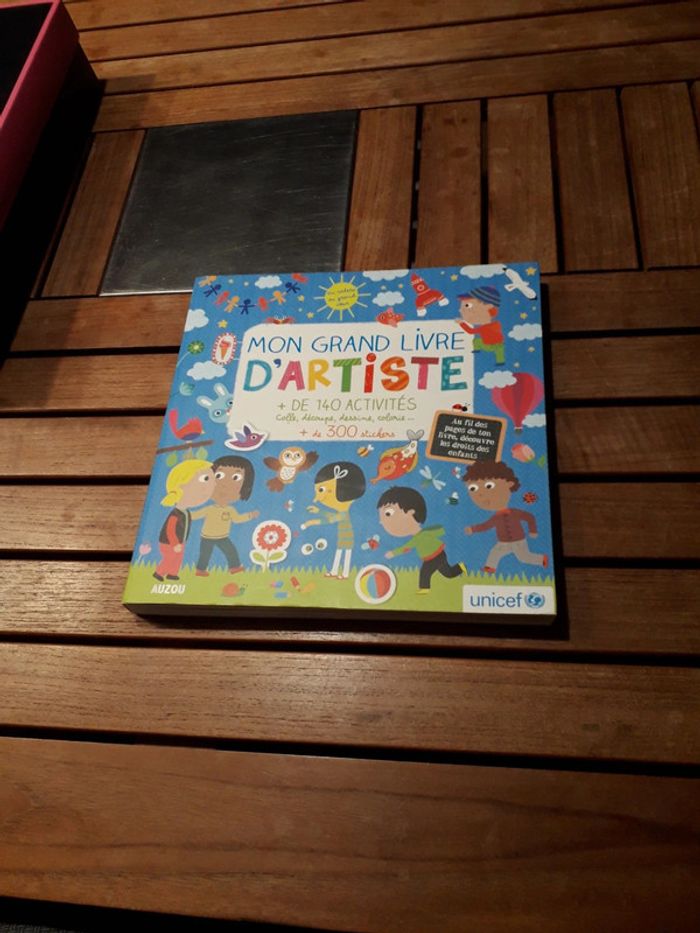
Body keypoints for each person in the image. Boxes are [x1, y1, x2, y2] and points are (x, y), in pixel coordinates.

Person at [463, 460, 548, 574]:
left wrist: (533, 531)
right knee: (495, 552)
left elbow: (530, 517)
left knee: (524, 558)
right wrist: (473, 529)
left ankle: (542, 559)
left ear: (509, 483)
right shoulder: (495, 518)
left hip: (519, 541)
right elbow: (485, 526)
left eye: (489, 486)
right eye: (473, 489)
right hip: (503, 543)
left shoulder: (515, 512)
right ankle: (490, 568)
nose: (481, 494)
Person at [378, 485, 465, 593]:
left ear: (410, 513)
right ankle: (461, 567)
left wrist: (393, 553)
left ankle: (424, 589)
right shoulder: (423, 534)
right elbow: (440, 530)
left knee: (425, 572)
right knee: (448, 573)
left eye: (388, 514)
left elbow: (406, 548)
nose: (381, 522)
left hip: (434, 557)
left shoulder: (420, 537)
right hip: (440, 555)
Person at [190, 455, 259, 576]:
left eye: (236, 478)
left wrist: (249, 515)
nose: (225, 484)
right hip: (207, 537)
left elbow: (237, 519)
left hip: (222, 537)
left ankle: (235, 567)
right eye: (219, 475)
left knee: (231, 551)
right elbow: (195, 515)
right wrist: (184, 514)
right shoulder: (209, 509)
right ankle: (200, 570)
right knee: (205, 554)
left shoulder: (230, 510)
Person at [301, 461, 366, 580]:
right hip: (342, 536)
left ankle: (345, 573)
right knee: (339, 552)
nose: (316, 499)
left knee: (346, 554)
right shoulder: (342, 513)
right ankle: (334, 571)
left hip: (347, 537)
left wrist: (312, 522)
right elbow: (332, 515)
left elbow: (331, 519)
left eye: (321, 490)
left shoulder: (343, 513)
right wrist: (319, 511)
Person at [154, 458, 213, 581]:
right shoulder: (175, 514)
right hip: (169, 543)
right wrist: (175, 543)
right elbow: (170, 530)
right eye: (205, 479)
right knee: (170, 558)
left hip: (180, 542)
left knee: (178, 558)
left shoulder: (186, 512)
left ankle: (172, 573)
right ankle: (159, 573)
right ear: (181, 485)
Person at [456, 284, 505, 365]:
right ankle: (499, 360)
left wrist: (462, 323)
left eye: (467, 305)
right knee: (478, 341)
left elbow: (470, 331)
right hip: (495, 344)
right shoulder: (496, 324)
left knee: (497, 349)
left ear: (488, 306)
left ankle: (499, 360)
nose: (461, 310)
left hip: (491, 346)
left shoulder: (484, 328)